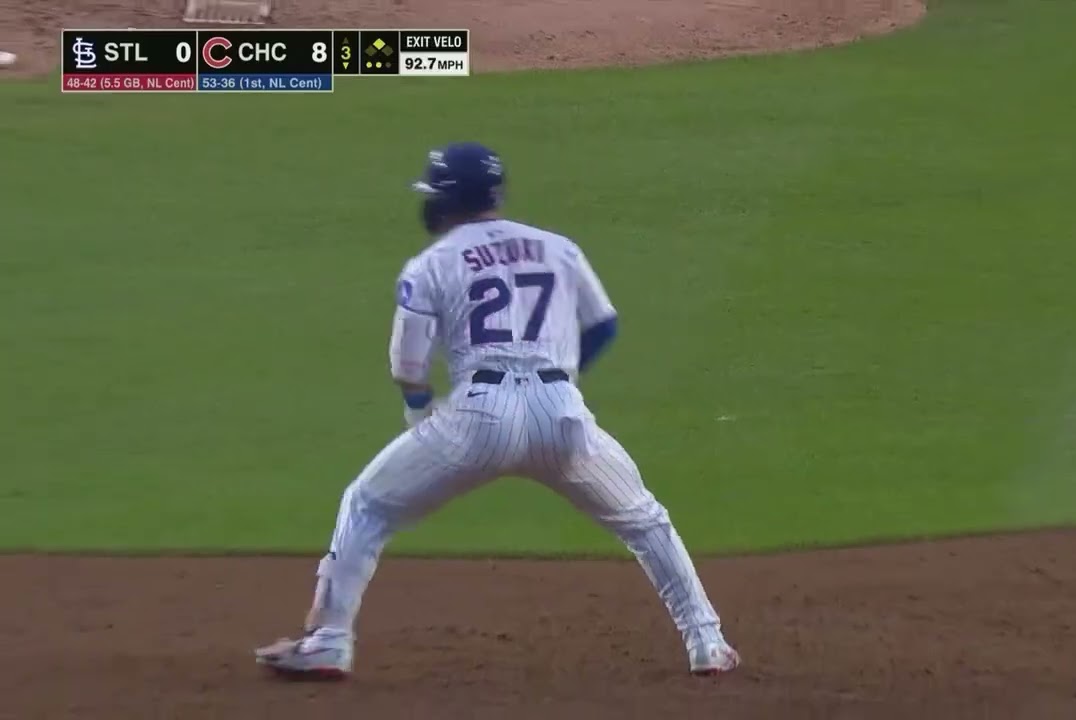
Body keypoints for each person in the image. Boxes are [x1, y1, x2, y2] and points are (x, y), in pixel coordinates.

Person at [253, 142, 740, 680]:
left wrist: (420, 413)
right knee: (645, 521)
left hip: (477, 419)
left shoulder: (432, 264)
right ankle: (707, 642)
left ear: (444, 201)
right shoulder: (558, 248)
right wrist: (560, 380)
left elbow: (408, 366)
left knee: (366, 505)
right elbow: (604, 325)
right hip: (563, 417)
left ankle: (329, 641)